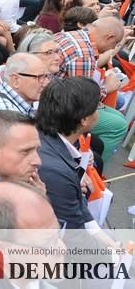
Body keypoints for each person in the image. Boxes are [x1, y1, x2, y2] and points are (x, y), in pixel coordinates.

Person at [35, 77, 107, 231]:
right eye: (97, 106)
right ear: (84, 120)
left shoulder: (41, 131)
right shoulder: (57, 172)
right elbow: (74, 235)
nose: (99, 108)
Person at [53, 16, 128, 161]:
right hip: (55, 108)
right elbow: (81, 101)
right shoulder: (83, 54)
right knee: (118, 125)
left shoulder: (74, 34)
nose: (113, 49)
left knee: (117, 116)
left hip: (55, 94)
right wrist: (107, 87)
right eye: (115, 43)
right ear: (109, 37)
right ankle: (89, 168)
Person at [0, 53, 50, 140]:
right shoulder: (2, 115)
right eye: (40, 77)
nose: (46, 83)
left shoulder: (15, 101)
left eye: (46, 76)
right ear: (16, 80)